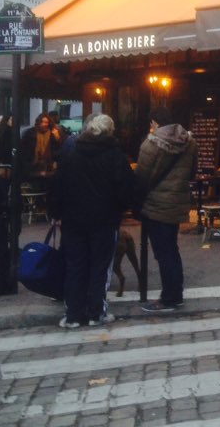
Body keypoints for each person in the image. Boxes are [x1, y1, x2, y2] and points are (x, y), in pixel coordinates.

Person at [48, 114, 135, 328]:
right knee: (100, 266)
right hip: (104, 219)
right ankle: (97, 312)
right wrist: (122, 208)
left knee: (75, 265)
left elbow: (58, 184)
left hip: (74, 219)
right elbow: (125, 187)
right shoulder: (114, 154)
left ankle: (74, 315)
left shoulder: (71, 151)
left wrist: (55, 212)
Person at [135, 106, 197, 313]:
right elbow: (192, 171)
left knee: (163, 253)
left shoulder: (150, 144)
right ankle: (175, 293)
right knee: (172, 250)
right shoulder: (189, 142)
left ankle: (169, 298)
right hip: (176, 202)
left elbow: (141, 179)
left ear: (154, 122)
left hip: (156, 204)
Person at [19, 112, 61, 182]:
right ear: (38, 122)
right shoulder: (30, 133)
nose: (44, 124)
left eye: (46, 122)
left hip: (48, 166)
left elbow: (56, 149)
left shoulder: (52, 134)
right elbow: (24, 151)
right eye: (42, 122)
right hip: (32, 166)